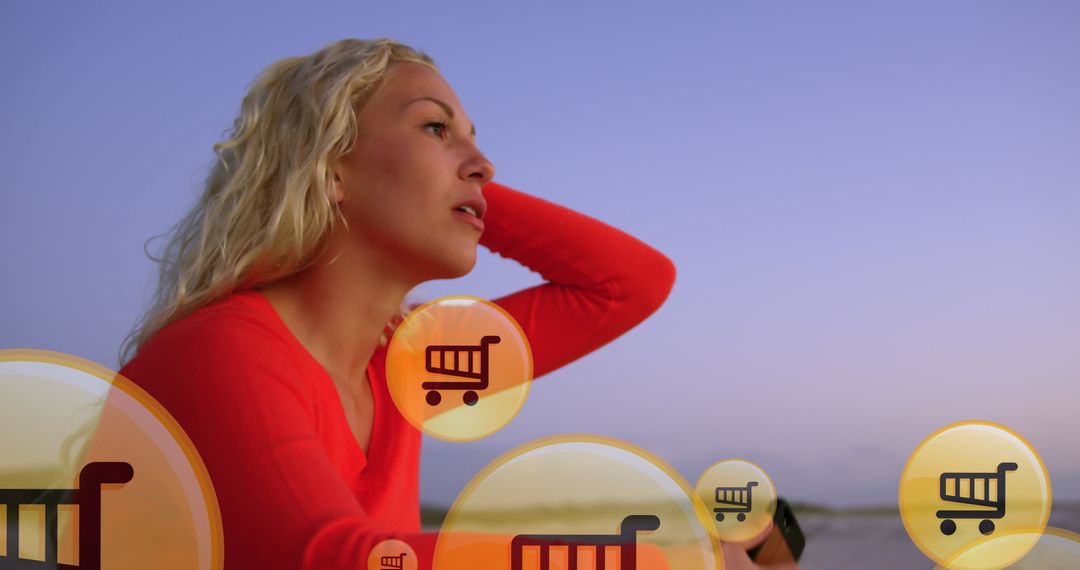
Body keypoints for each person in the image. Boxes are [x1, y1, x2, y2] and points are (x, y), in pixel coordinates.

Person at [116, 38, 787, 569]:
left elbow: (628, 284)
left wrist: (462, 192)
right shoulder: (218, 351)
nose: (485, 161)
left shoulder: (408, 365)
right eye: (435, 128)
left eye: (473, 136)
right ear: (329, 169)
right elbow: (339, 562)